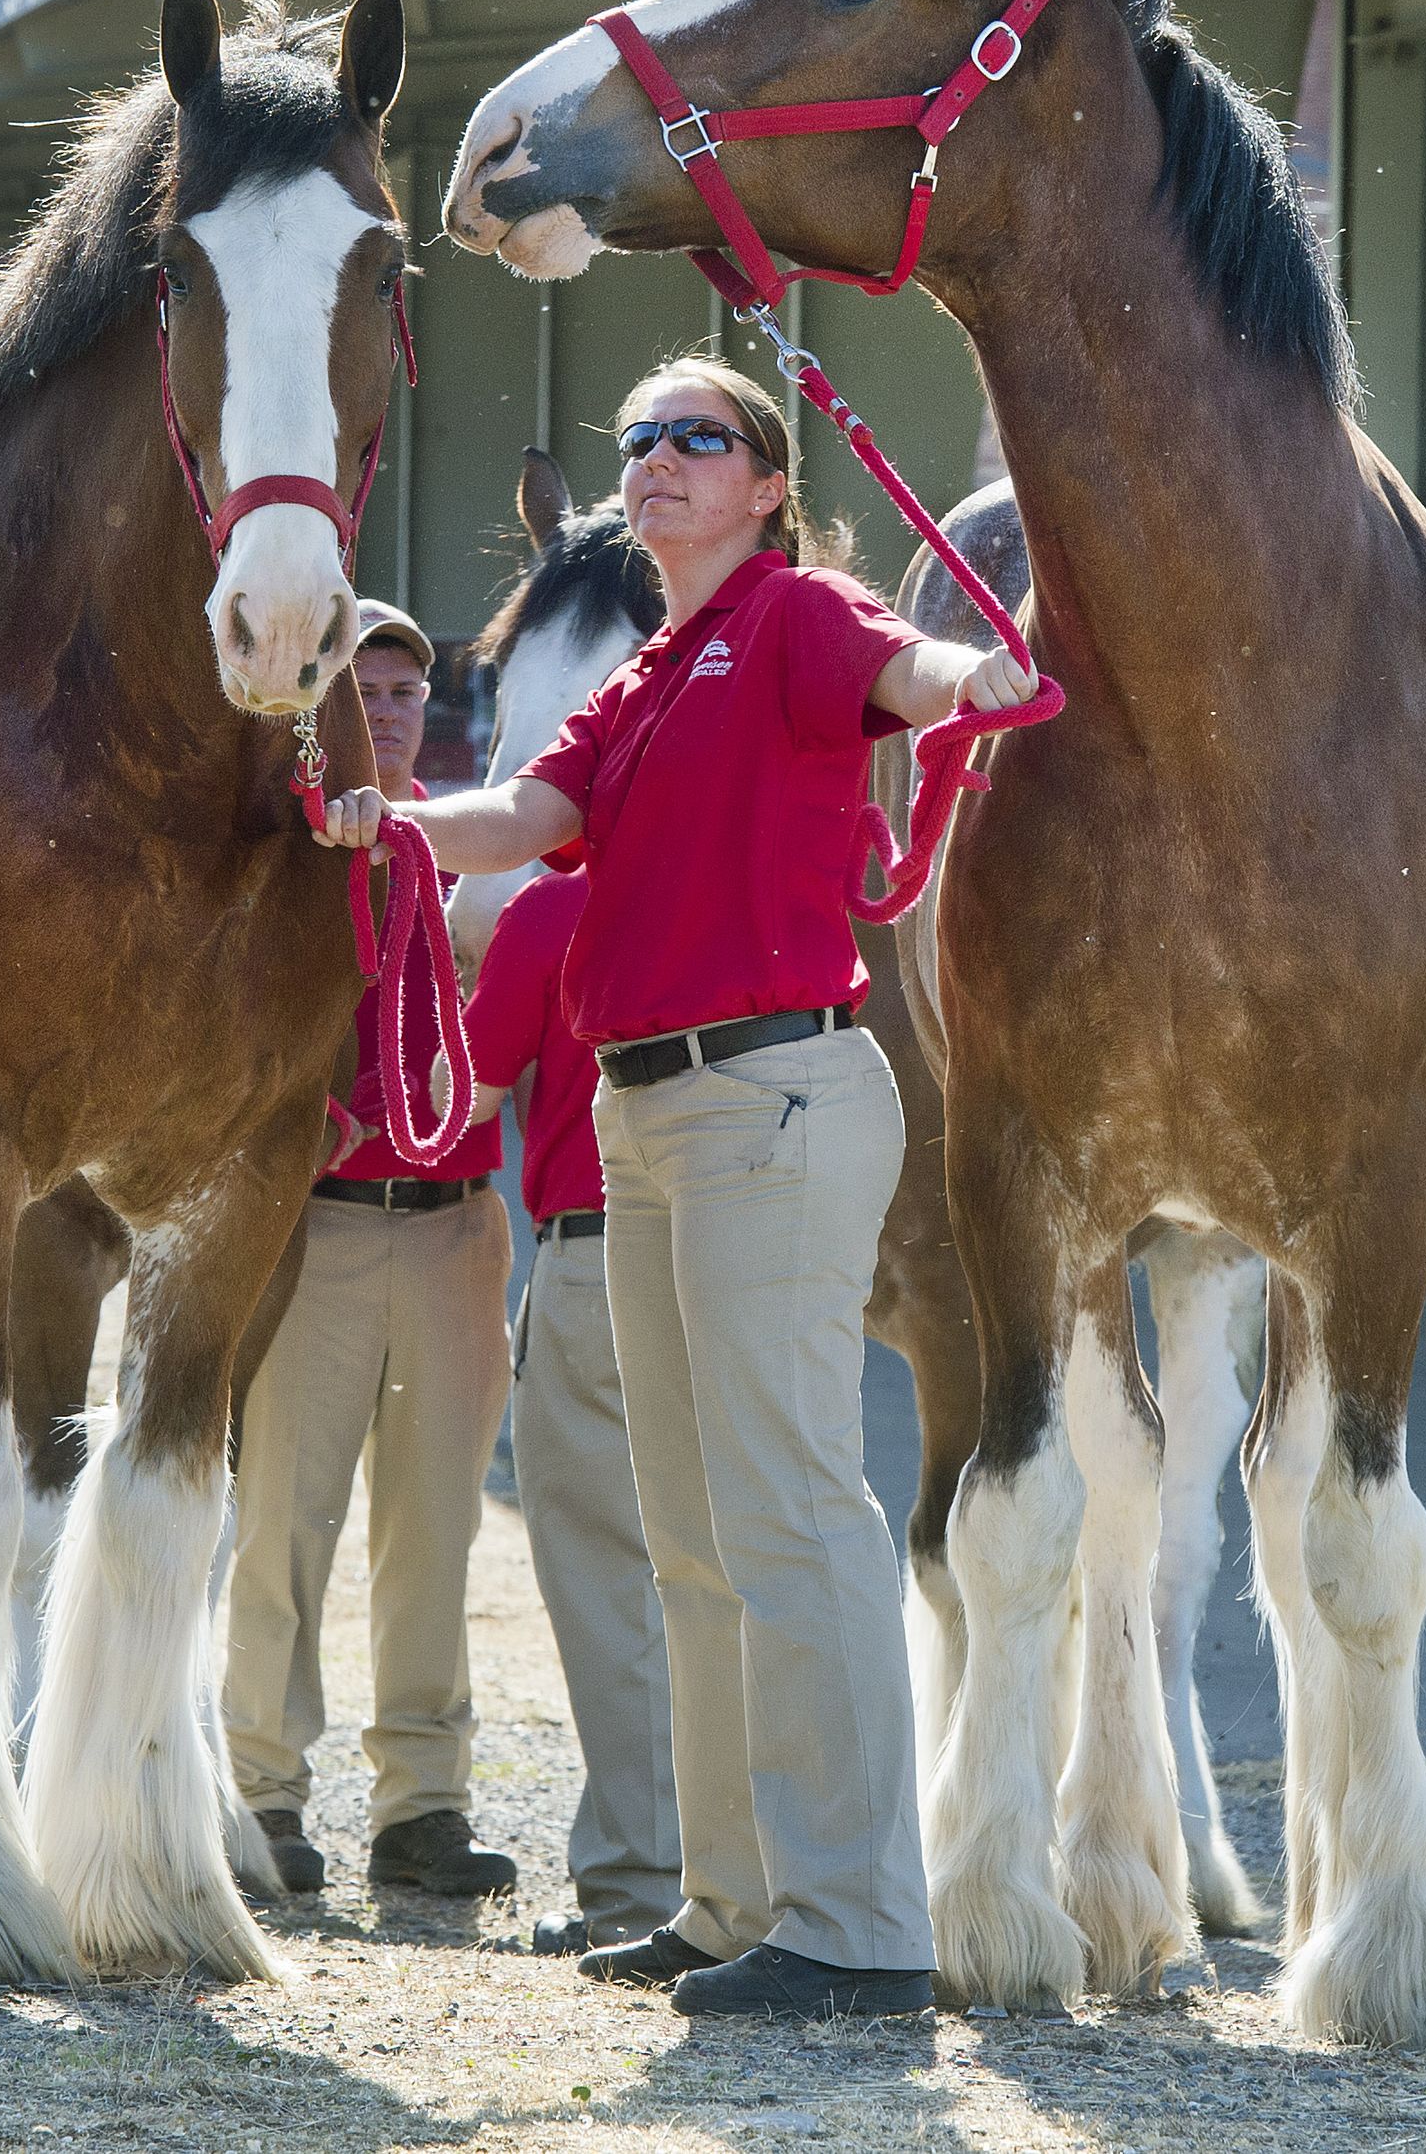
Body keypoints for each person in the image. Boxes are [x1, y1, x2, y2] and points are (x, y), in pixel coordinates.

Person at [312, 358, 1034, 2020]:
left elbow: (907, 673)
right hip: (650, 1120)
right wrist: (392, 825)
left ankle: (856, 1926)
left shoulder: (797, 615)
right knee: (698, 1532)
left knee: (788, 1511)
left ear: (769, 482)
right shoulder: (645, 677)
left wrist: (970, 676)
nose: (655, 462)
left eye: (695, 439)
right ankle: (733, 1902)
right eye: (638, 441)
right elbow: (523, 815)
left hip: (767, 1093)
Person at [224, 599, 519, 1901]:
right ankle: (262, 1795)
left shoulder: (471, 854)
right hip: (323, 1229)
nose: (388, 713)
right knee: (283, 1520)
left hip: (456, 1226)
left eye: (406, 693)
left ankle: (422, 1808)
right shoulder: (288, 866)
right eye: (365, 692)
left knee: (437, 1529)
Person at [461, 865, 680, 1960]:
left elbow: (467, 1093)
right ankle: (763, 1879)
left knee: (607, 1581)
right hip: (739, 1247)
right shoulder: (724, 880)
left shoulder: (549, 911)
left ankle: (644, 1888)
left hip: (597, 1253)